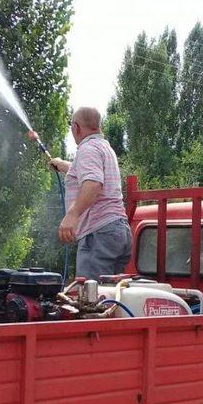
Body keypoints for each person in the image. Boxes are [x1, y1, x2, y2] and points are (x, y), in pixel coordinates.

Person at [49, 106, 132, 280]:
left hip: (98, 232)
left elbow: (93, 183)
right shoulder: (104, 148)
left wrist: (72, 215)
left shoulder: (87, 149)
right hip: (118, 231)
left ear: (76, 127)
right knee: (109, 297)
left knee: (91, 298)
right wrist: (64, 165)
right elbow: (88, 173)